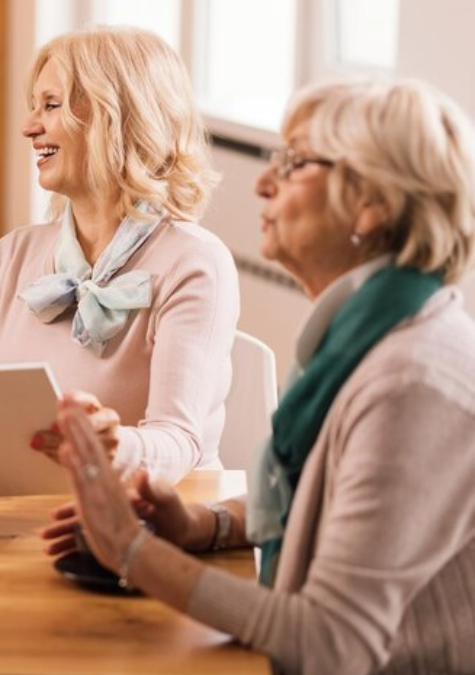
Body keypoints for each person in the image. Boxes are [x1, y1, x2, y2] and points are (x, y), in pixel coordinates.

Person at [46, 79, 475, 675]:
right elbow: (328, 501)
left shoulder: (412, 384)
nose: (262, 182)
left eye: (295, 162)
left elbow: (330, 642)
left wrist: (131, 549)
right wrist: (204, 523)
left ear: (371, 202)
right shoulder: (370, 334)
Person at [0, 27, 239, 483]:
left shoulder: (195, 264)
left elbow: (178, 442)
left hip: (151, 519)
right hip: (25, 511)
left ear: (116, 117)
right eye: (34, 105)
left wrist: (113, 447)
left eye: (51, 105)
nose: (29, 126)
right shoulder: (10, 257)